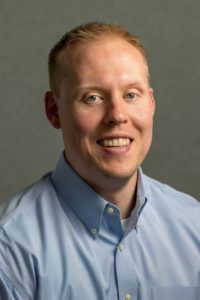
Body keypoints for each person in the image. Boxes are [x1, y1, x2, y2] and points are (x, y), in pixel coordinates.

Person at [0, 21, 199, 300]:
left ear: (151, 104)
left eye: (131, 95)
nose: (117, 115)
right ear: (53, 110)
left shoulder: (194, 226)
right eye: (92, 97)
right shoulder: (9, 249)